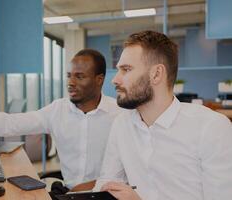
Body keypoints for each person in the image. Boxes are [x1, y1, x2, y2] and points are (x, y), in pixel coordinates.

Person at [0, 49, 123, 197]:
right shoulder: (58, 110)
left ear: (99, 80)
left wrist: (93, 186)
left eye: (79, 76)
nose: (71, 82)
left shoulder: (120, 115)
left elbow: (129, 170)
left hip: (107, 193)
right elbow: (11, 123)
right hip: (69, 193)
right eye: (69, 75)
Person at [94, 30, 232, 200]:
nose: (115, 80)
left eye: (126, 69)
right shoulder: (122, 124)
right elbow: (107, 182)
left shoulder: (211, 127)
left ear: (157, 74)